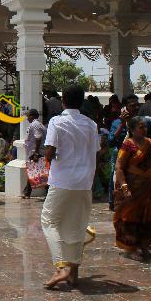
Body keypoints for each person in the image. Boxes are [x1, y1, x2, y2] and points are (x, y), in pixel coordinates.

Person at [41, 85, 101, 289]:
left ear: (62, 101)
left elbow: (49, 152)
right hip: (85, 181)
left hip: (63, 180)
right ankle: (74, 272)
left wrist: (51, 156)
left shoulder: (57, 122)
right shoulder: (91, 124)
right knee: (76, 224)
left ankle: (61, 267)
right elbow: (96, 152)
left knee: (49, 221)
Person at [113, 116, 151, 261]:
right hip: (132, 188)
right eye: (141, 127)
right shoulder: (128, 145)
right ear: (132, 130)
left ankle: (144, 246)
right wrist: (125, 188)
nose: (144, 129)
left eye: (145, 127)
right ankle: (131, 248)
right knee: (130, 218)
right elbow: (119, 167)